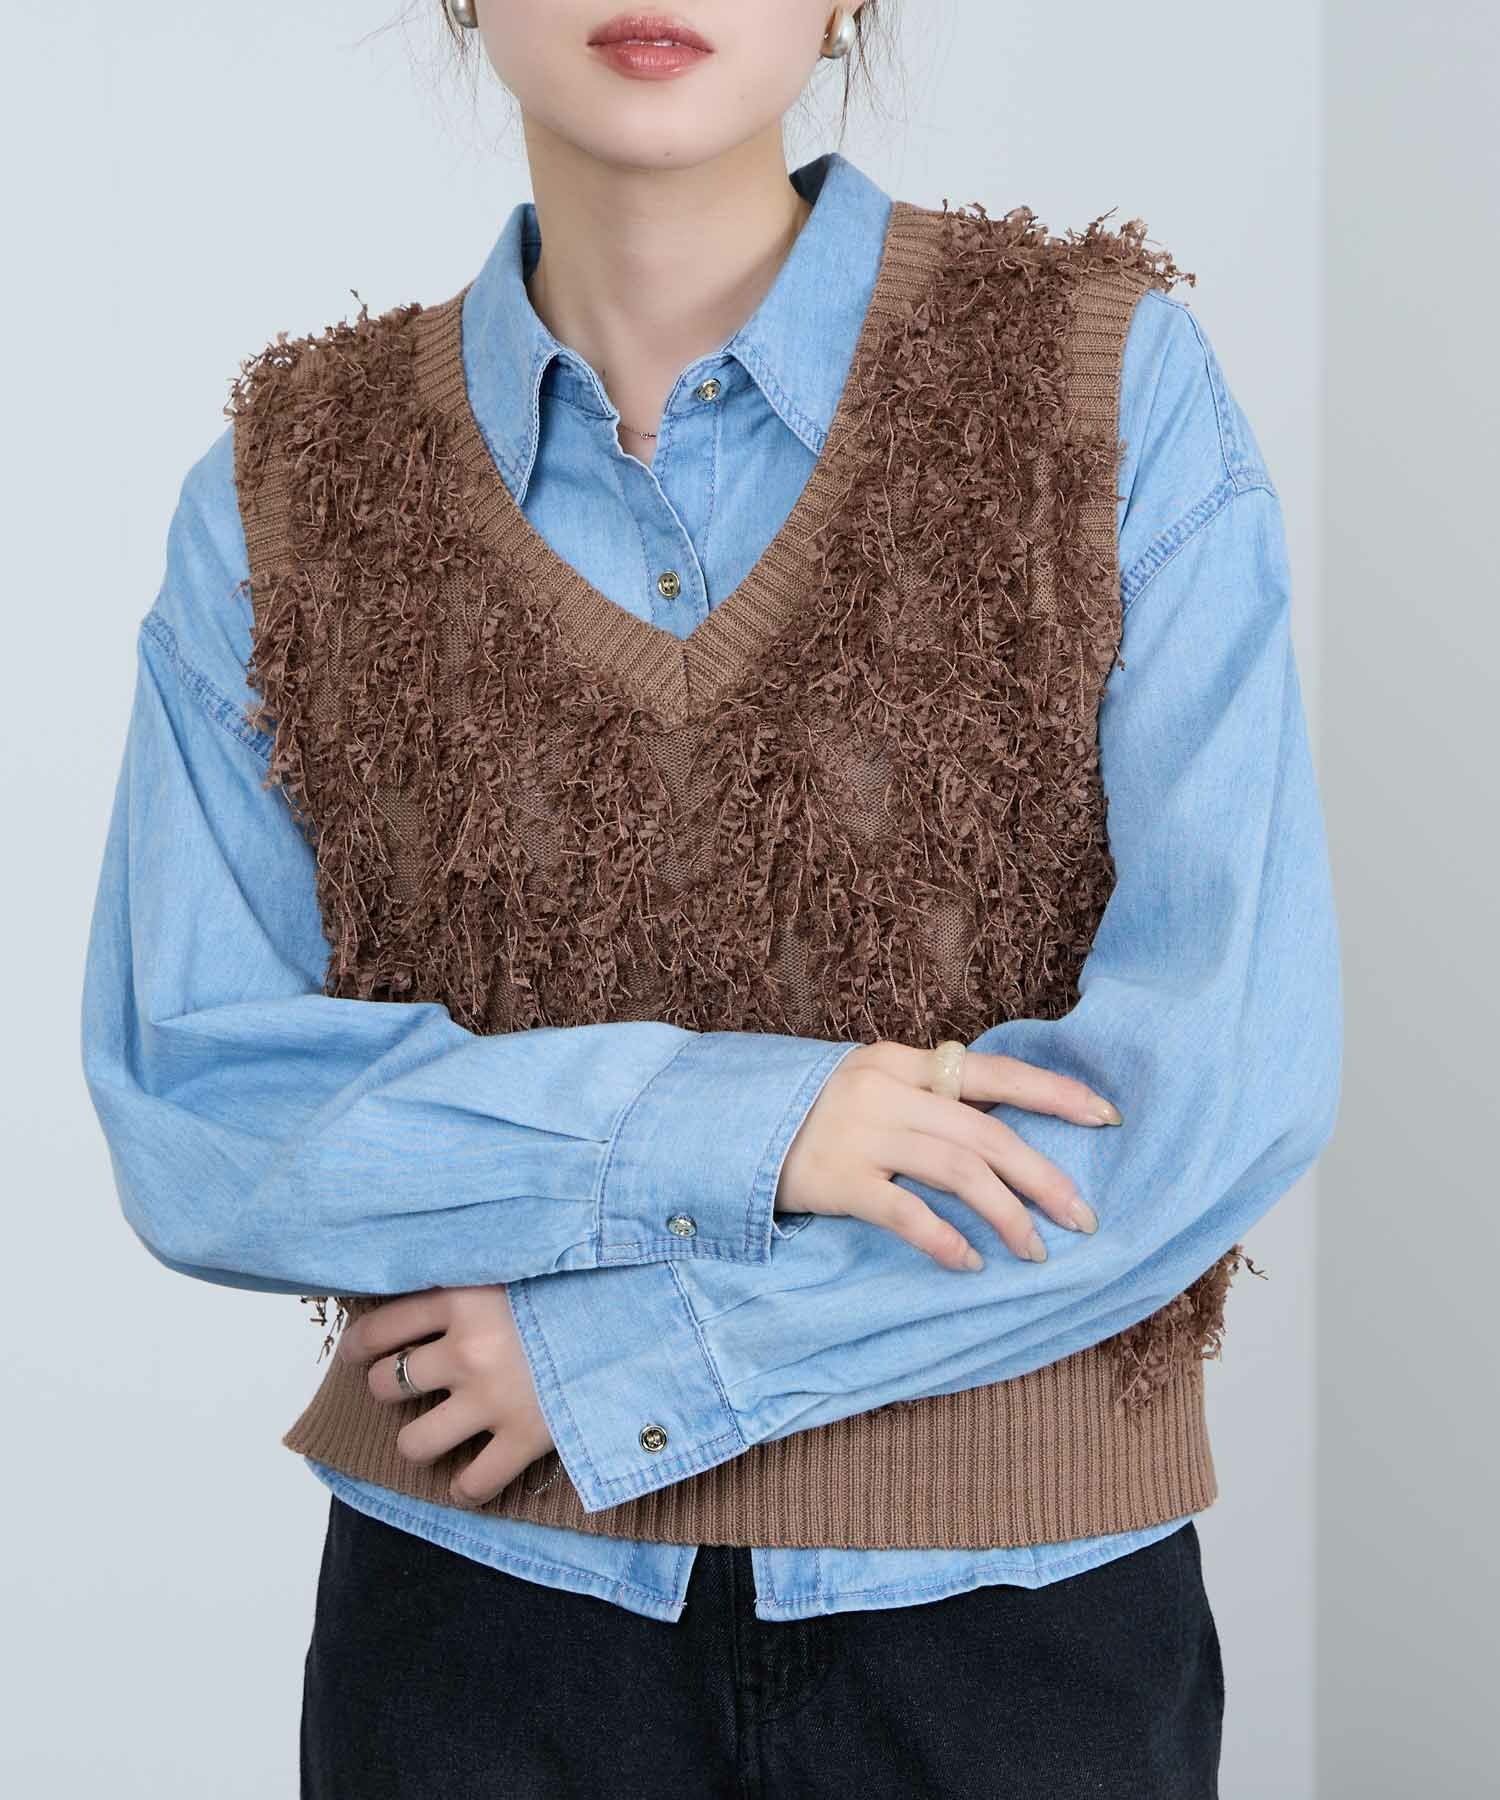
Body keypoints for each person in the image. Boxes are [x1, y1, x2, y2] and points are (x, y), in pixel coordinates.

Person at [80, 3, 1342, 1795]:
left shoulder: (1098, 382)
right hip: (477, 1624)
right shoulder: (287, 482)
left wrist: (626, 1358)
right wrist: (753, 1127)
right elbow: (199, 1100)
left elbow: (1222, 1077)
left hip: (1014, 1641)